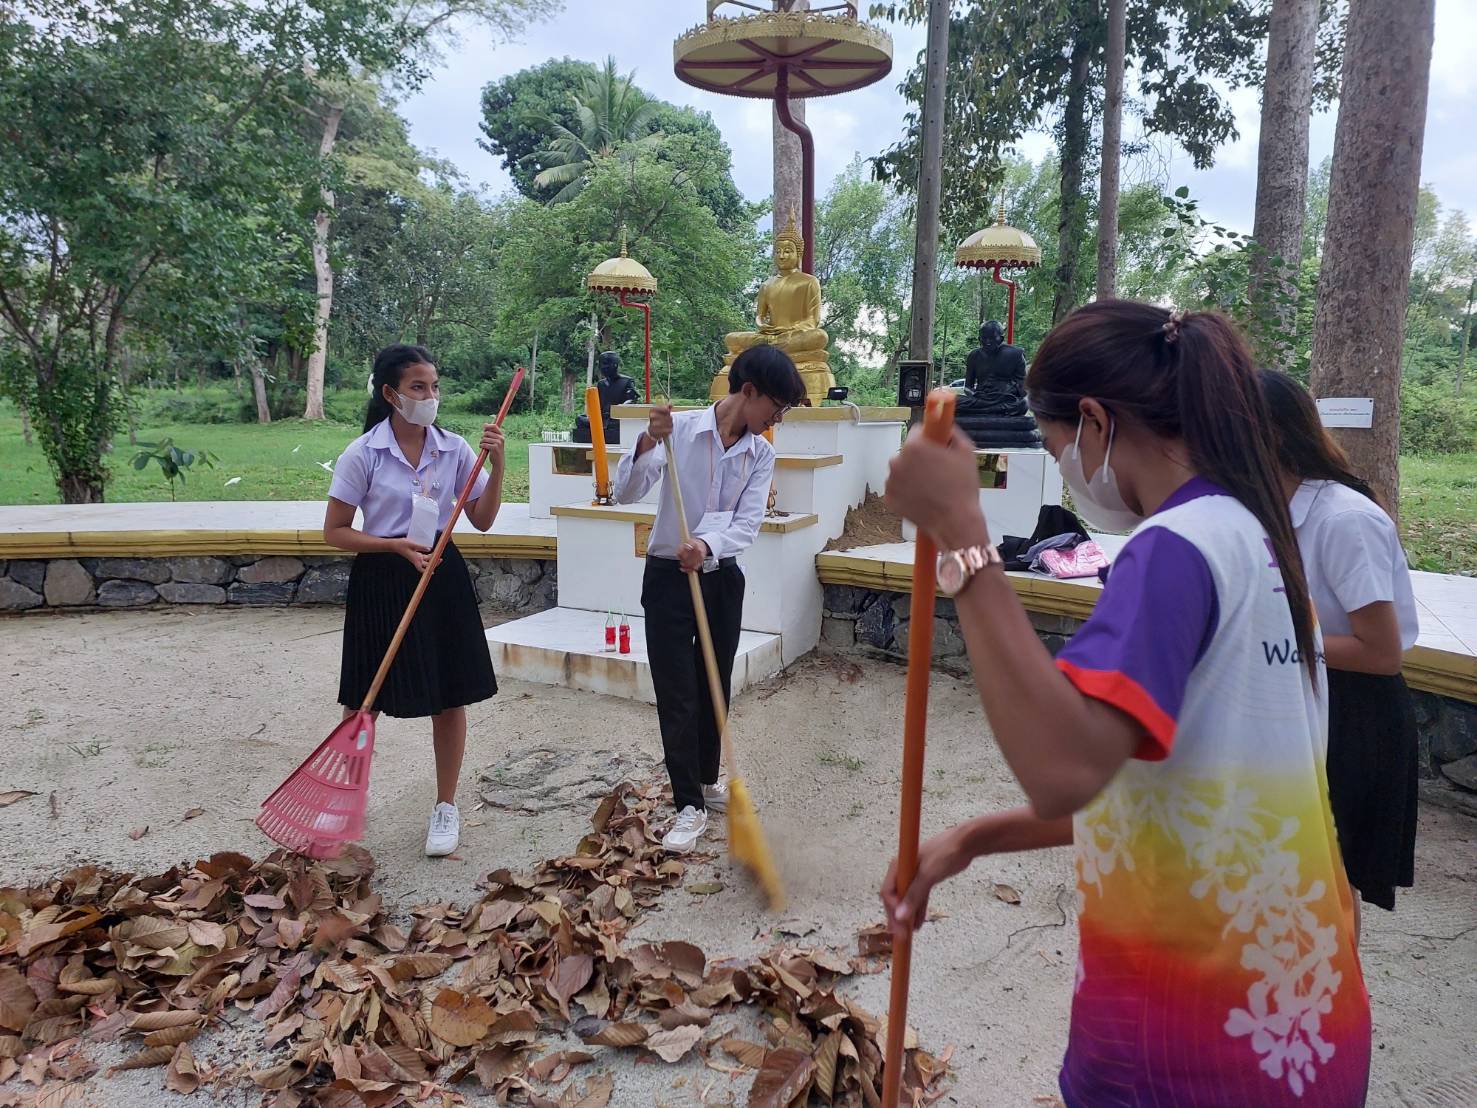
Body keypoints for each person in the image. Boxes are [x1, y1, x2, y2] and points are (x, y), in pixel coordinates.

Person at [881, 302, 1371, 1106]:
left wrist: (963, 536)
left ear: (1094, 422)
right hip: (1307, 1022)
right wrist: (973, 838)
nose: (1063, 466)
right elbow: (1181, 792)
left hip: (1191, 1039)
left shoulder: (1171, 551)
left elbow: (1063, 767)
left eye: (1051, 445)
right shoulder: (1258, 537)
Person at [611, 344, 805, 853]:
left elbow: (746, 524)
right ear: (749, 391)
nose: (777, 419)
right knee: (677, 690)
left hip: (721, 577)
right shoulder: (677, 432)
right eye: (776, 407)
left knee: (714, 682)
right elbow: (625, 492)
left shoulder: (761, 453)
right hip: (668, 577)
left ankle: (705, 777)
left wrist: (706, 545)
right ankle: (687, 805)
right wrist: (649, 443)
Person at [324, 344, 506, 858]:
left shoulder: (453, 449)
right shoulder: (363, 453)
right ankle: (339, 801)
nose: (430, 397)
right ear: (391, 394)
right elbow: (335, 532)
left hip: (440, 574)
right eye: (418, 388)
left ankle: (446, 807)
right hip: (383, 579)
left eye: (434, 386)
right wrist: (393, 545)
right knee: (363, 698)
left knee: (450, 698)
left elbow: (484, 518)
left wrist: (499, 461)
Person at [1261, 369, 1419, 925]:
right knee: (1295, 874)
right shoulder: (1269, 511)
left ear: (1270, 437)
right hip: (1308, 695)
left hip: (1356, 714)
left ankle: (1339, 1002)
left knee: (1331, 879)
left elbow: (1381, 653)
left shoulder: (1344, 520)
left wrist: (1265, 639)